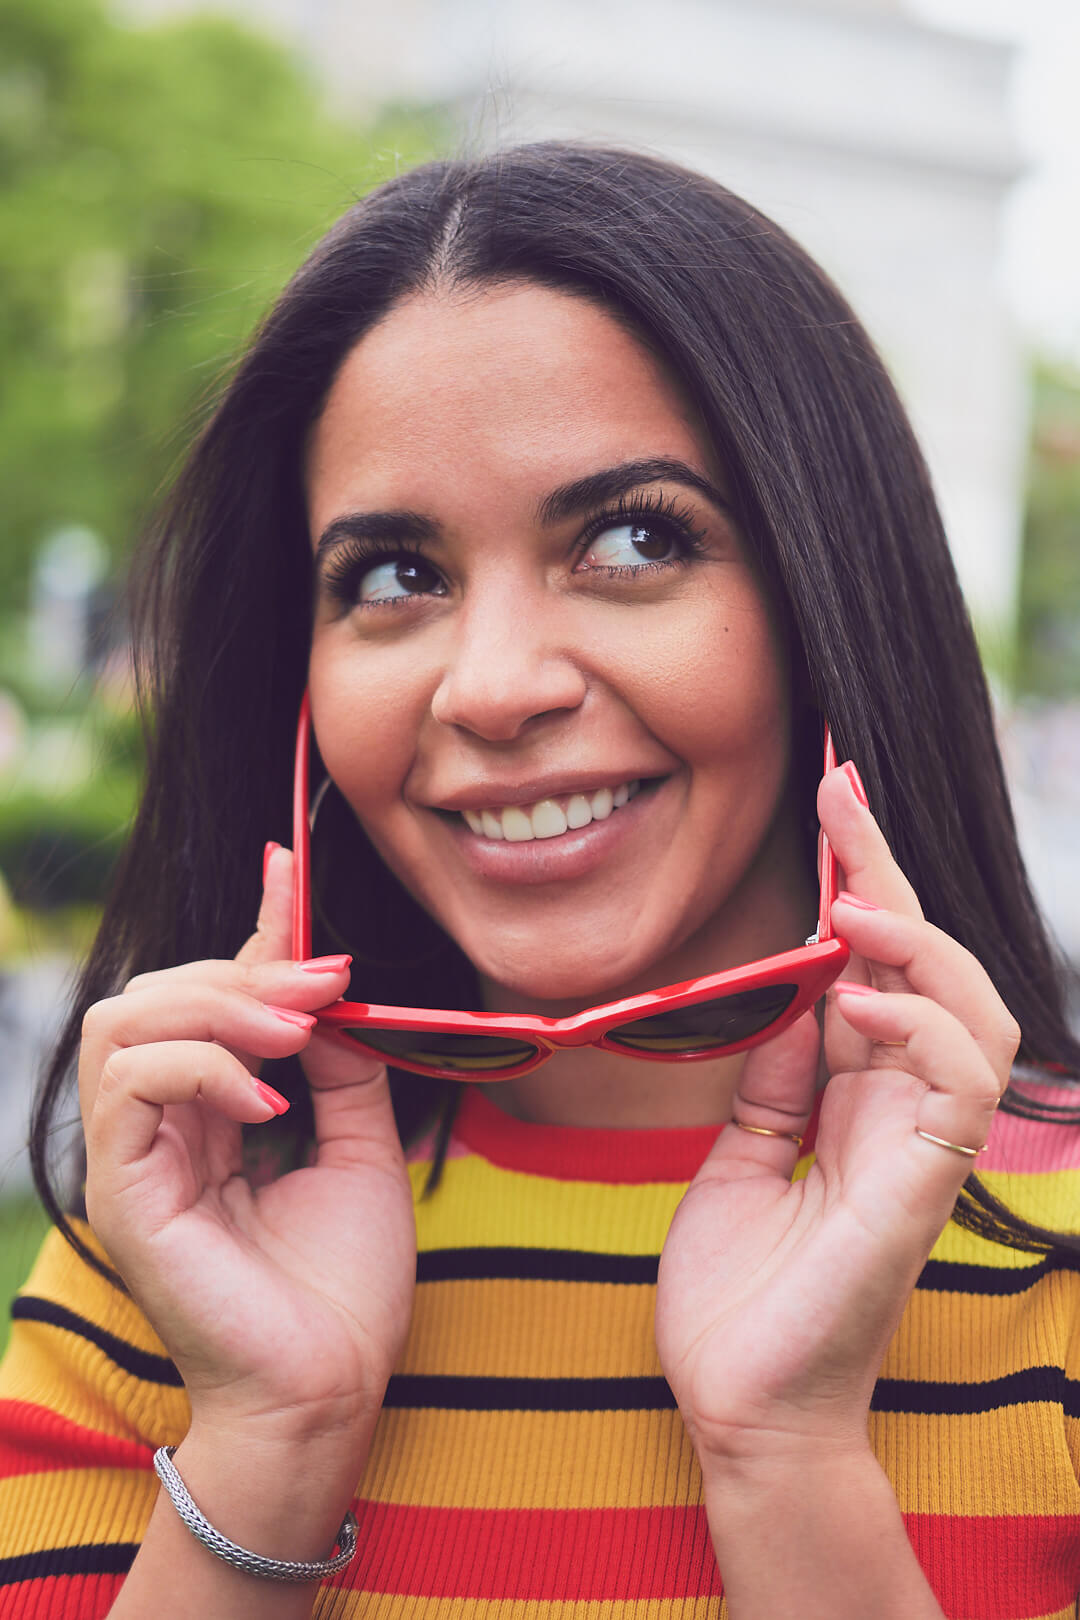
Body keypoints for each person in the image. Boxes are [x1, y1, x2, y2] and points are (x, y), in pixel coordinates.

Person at [1, 141, 1079, 1620]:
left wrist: (789, 1460)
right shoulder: (170, 1260)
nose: (493, 688)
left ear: (826, 599)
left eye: (633, 542)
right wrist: (273, 1441)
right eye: (393, 579)